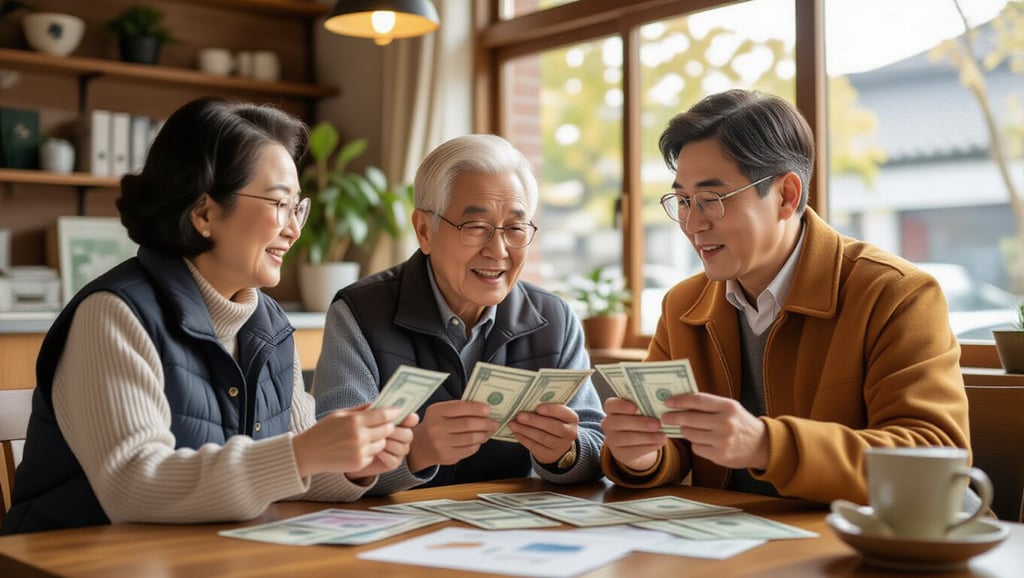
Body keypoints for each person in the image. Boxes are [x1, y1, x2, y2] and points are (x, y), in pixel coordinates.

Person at [2, 97, 417, 535]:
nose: (294, 228)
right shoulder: (114, 314)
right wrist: (302, 453)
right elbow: (133, 486)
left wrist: (352, 463)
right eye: (279, 204)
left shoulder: (269, 324)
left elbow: (289, 473)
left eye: (298, 207)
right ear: (203, 212)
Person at [600, 89, 970, 505]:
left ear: (786, 196)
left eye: (711, 200)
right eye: (683, 201)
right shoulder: (683, 305)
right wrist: (643, 456)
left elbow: (935, 458)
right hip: (744, 547)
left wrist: (765, 445)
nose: (692, 223)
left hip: (862, 545)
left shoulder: (896, 293)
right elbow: (673, 444)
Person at [313, 134, 605, 493]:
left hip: (510, 537)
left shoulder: (554, 320)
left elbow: (598, 446)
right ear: (424, 230)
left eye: (514, 228)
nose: (498, 250)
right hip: (396, 535)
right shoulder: (359, 313)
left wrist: (566, 453)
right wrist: (416, 451)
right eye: (476, 228)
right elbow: (328, 467)